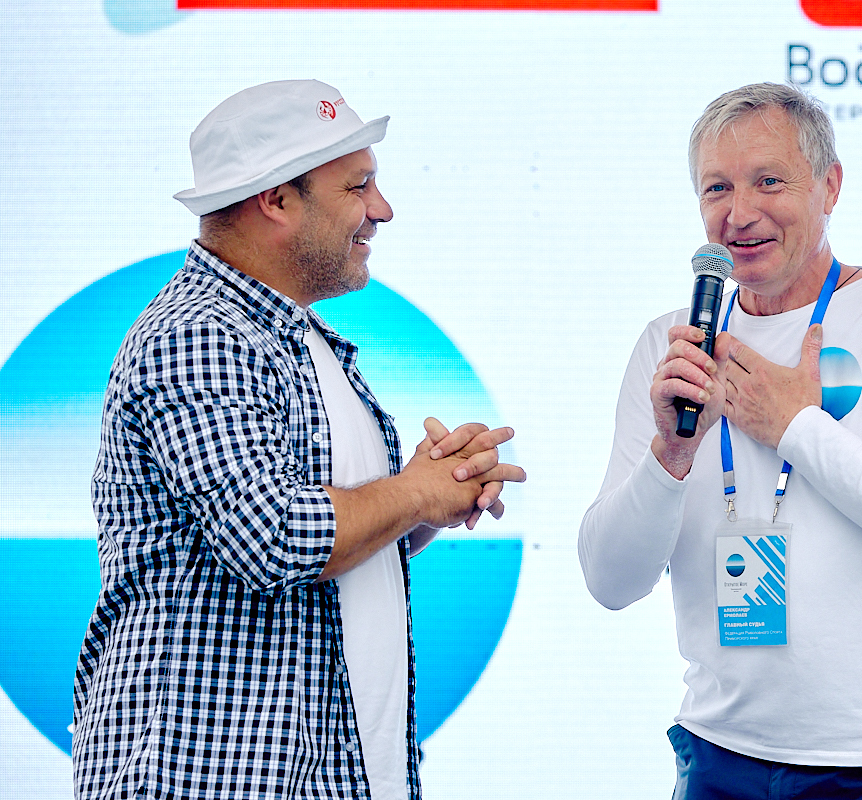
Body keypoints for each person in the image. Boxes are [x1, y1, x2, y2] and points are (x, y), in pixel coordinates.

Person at [72, 80, 525, 800]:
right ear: (278, 200)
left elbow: (329, 556)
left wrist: (431, 496)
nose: (383, 209)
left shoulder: (301, 340)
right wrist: (412, 493)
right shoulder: (198, 336)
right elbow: (274, 537)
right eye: (358, 186)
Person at [578, 82, 862, 799]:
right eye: (717, 187)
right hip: (720, 757)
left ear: (829, 185)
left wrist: (797, 429)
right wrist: (670, 458)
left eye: (769, 181)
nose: (739, 213)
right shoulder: (671, 346)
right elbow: (609, 581)